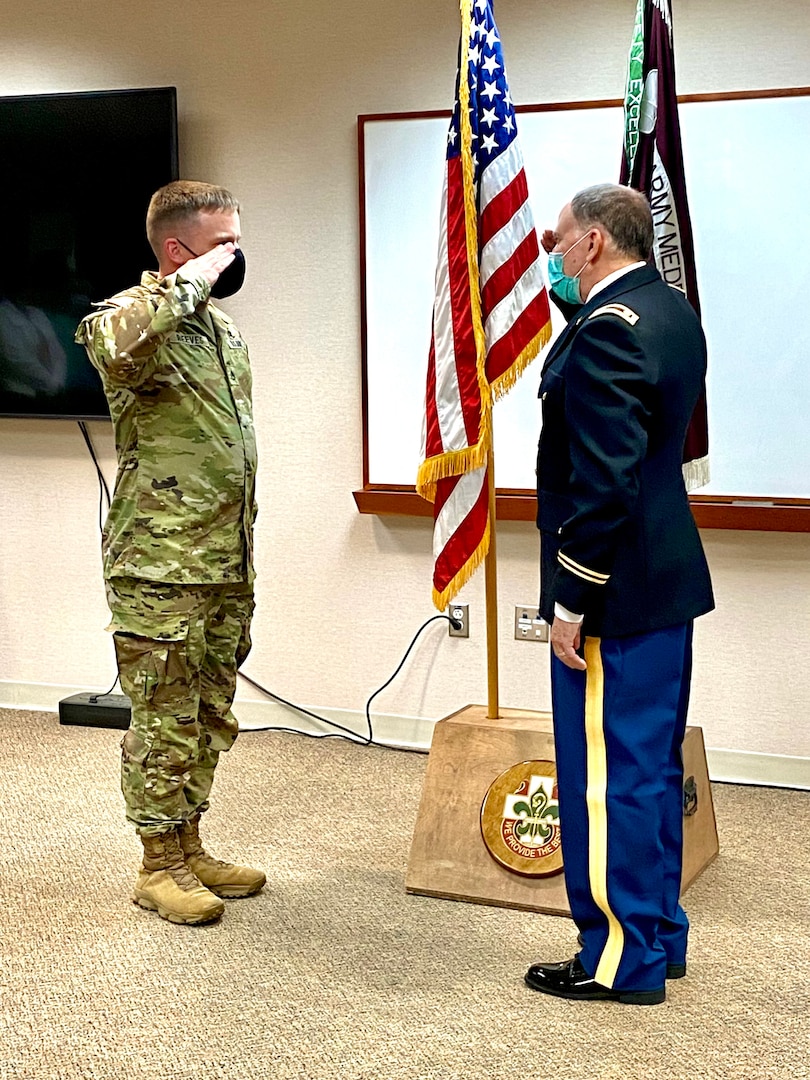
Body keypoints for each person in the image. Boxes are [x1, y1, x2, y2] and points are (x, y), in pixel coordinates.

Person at [524, 183, 714, 1005]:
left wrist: (571, 601)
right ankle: (658, 937)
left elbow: (601, 485)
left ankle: (619, 961)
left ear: (594, 242)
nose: (552, 256)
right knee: (646, 769)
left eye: (559, 241)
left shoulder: (604, 335)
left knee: (608, 778)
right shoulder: (669, 311)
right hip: (664, 581)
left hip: (614, 593)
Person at [75, 180, 264, 926]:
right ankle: (156, 865)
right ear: (180, 251)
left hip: (225, 558)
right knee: (164, 715)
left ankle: (189, 843)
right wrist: (184, 284)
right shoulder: (127, 321)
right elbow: (113, 343)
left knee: (210, 708)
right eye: (225, 243)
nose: (238, 255)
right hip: (161, 565)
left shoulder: (223, 335)